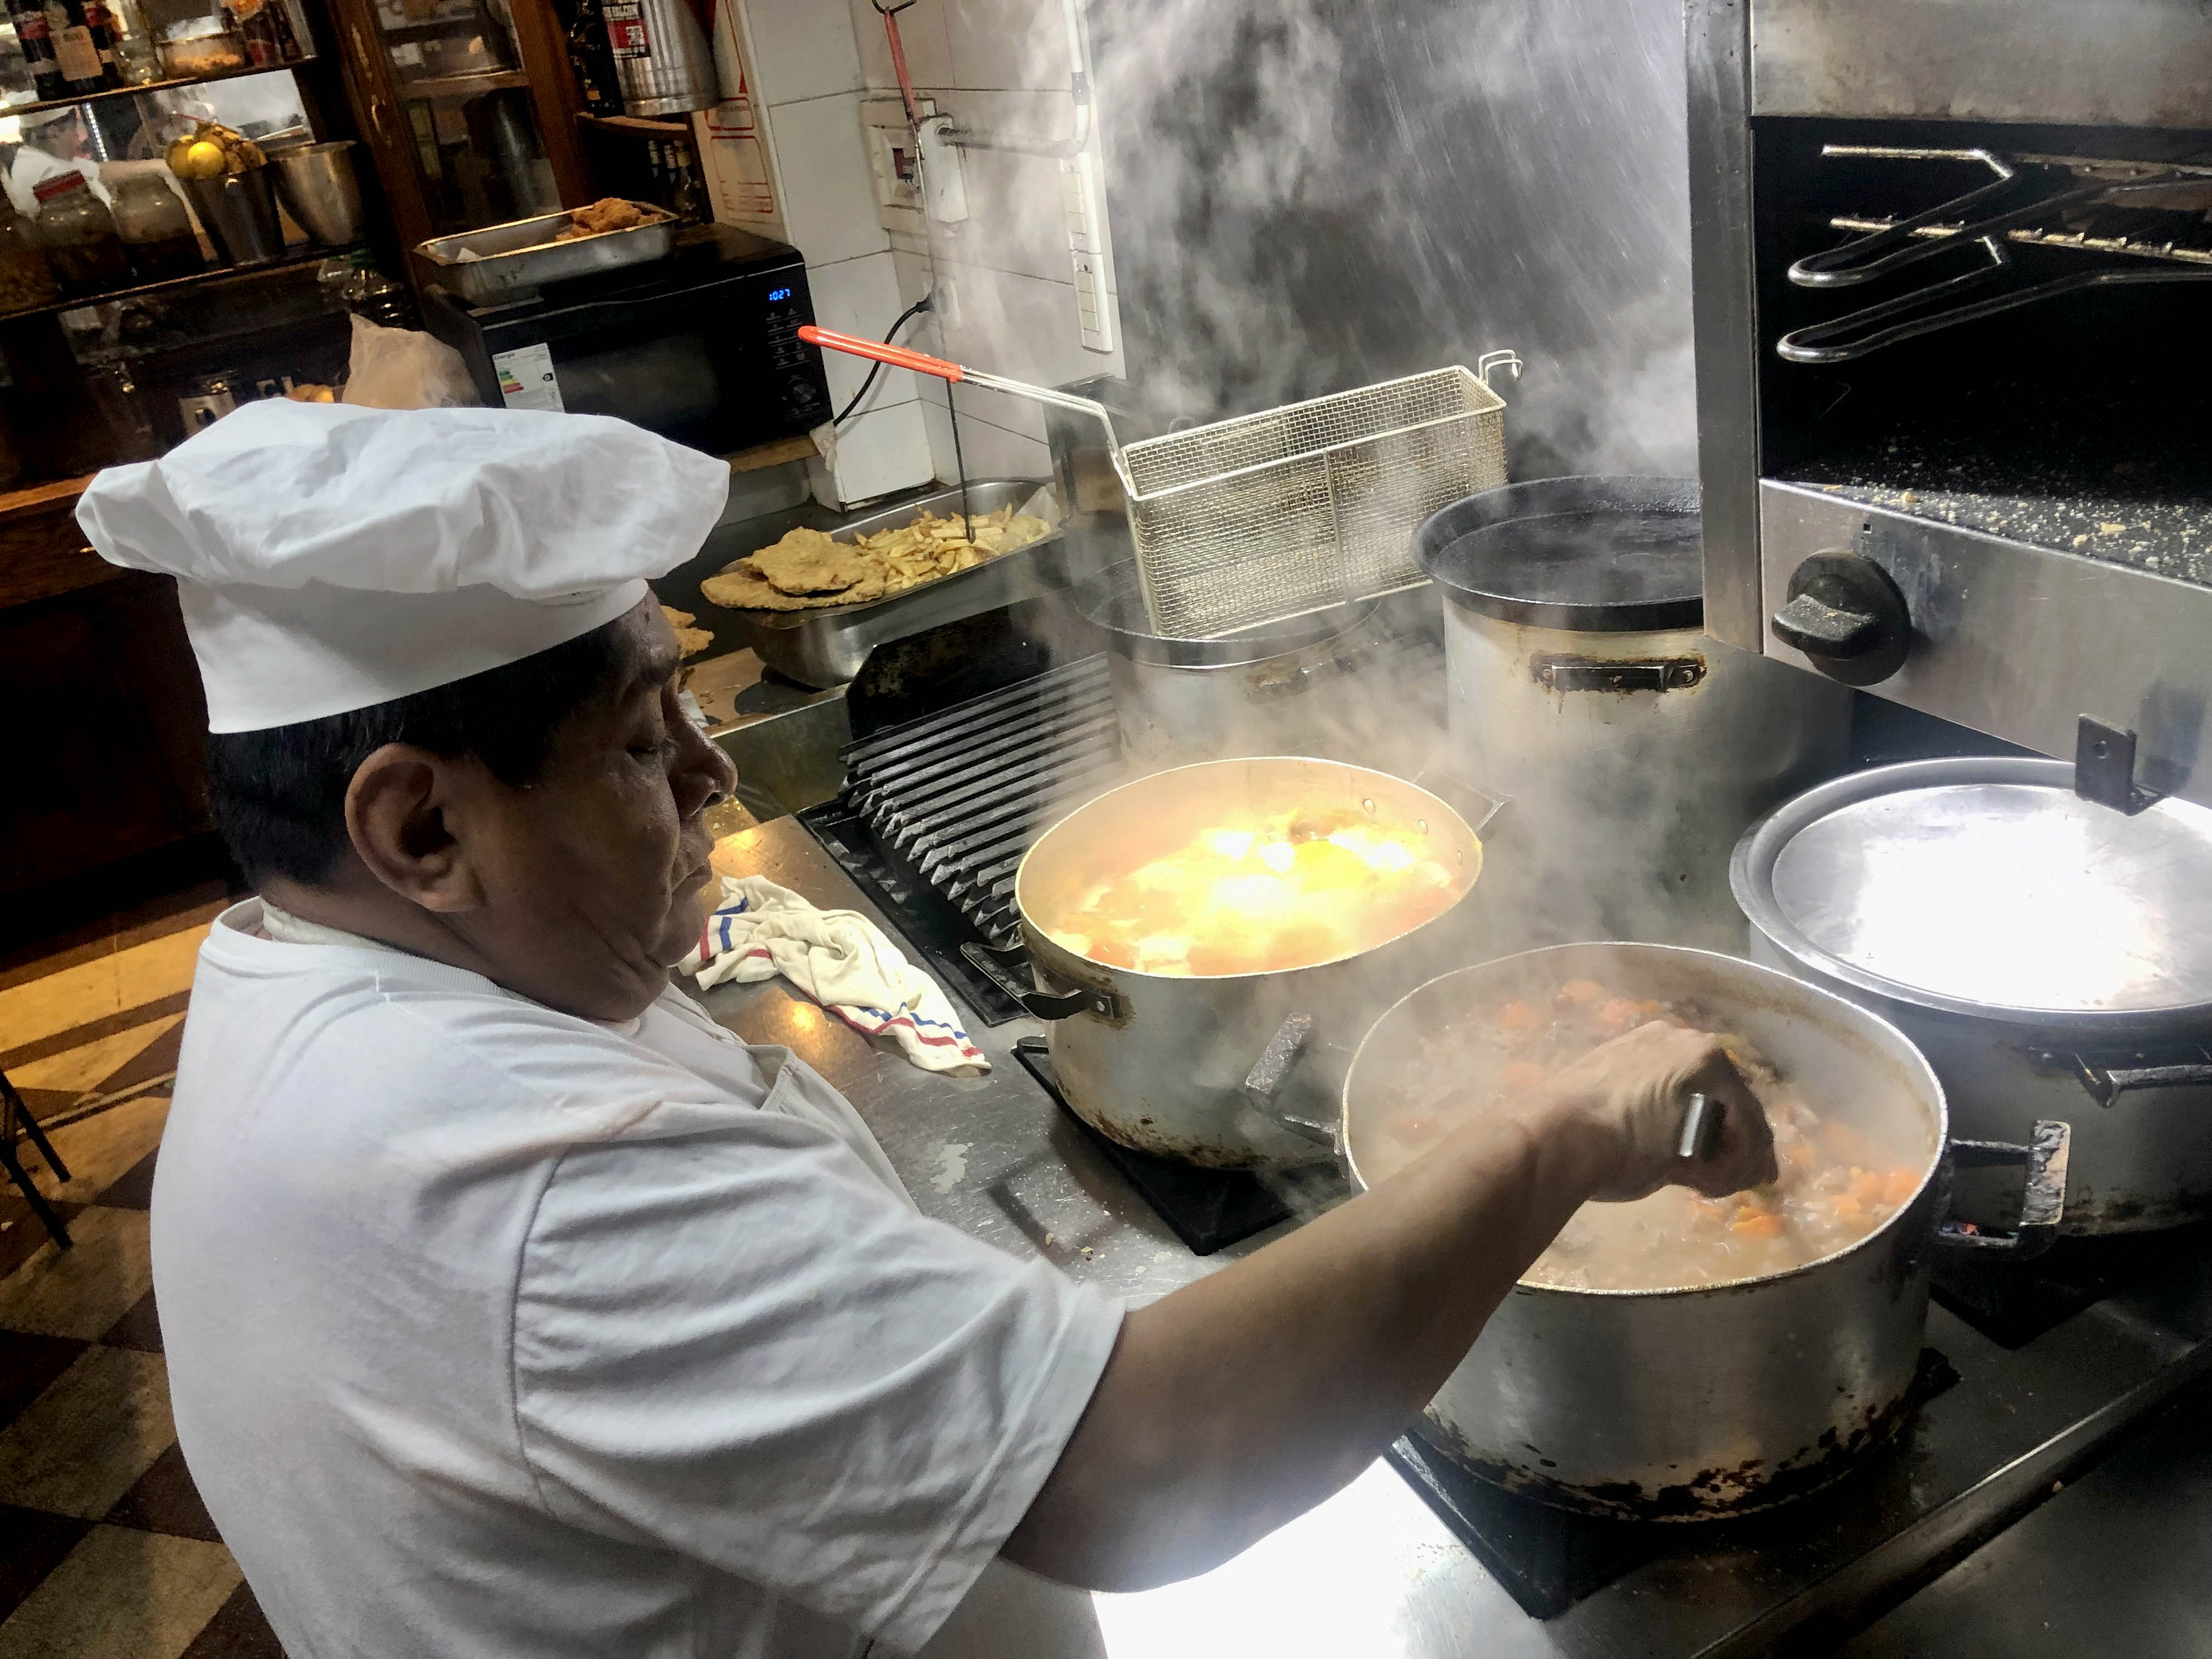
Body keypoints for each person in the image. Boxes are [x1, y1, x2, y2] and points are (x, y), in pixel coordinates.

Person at [77, 400, 1775, 1659]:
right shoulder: (498, 1175)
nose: (716, 777)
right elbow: (1142, 1464)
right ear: (420, 831)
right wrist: (1559, 1129)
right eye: (642, 743)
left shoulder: (301, 984)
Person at [4, 106, 111, 219]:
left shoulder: (46, 157)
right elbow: (93, 223)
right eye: (74, 129)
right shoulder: (49, 172)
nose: (79, 136)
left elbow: (100, 171)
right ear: (53, 134)